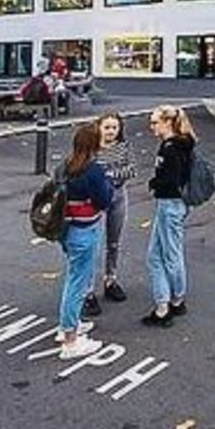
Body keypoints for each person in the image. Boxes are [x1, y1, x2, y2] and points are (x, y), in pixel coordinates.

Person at [56, 123, 114, 360]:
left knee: (73, 276)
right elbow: (103, 201)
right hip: (85, 229)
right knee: (78, 283)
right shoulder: (93, 170)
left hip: (65, 228)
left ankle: (71, 323)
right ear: (93, 143)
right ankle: (70, 339)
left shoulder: (64, 166)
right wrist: (108, 185)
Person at [141, 105, 195, 328]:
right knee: (155, 256)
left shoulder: (170, 149)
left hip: (170, 204)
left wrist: (154, 183)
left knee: (170, 255)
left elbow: (170, 180)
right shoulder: (182, 144)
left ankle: (174, 301)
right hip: (173, 204)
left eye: (155, 122)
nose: (151, 127)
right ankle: (164, 303)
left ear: (168, 123)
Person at [83, 112, 135, 317]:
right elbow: (86, 171)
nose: (111, 131)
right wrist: (108, 174)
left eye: (115, 127)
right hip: (96, 200)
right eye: (107, 127)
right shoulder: (91, 148)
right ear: (99, 128)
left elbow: (131, 171)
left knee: (114, 242)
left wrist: (108, 174)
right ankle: (88, 291)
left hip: (118, 196)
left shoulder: (124, 147)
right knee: (92, 244)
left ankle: (110, 279)